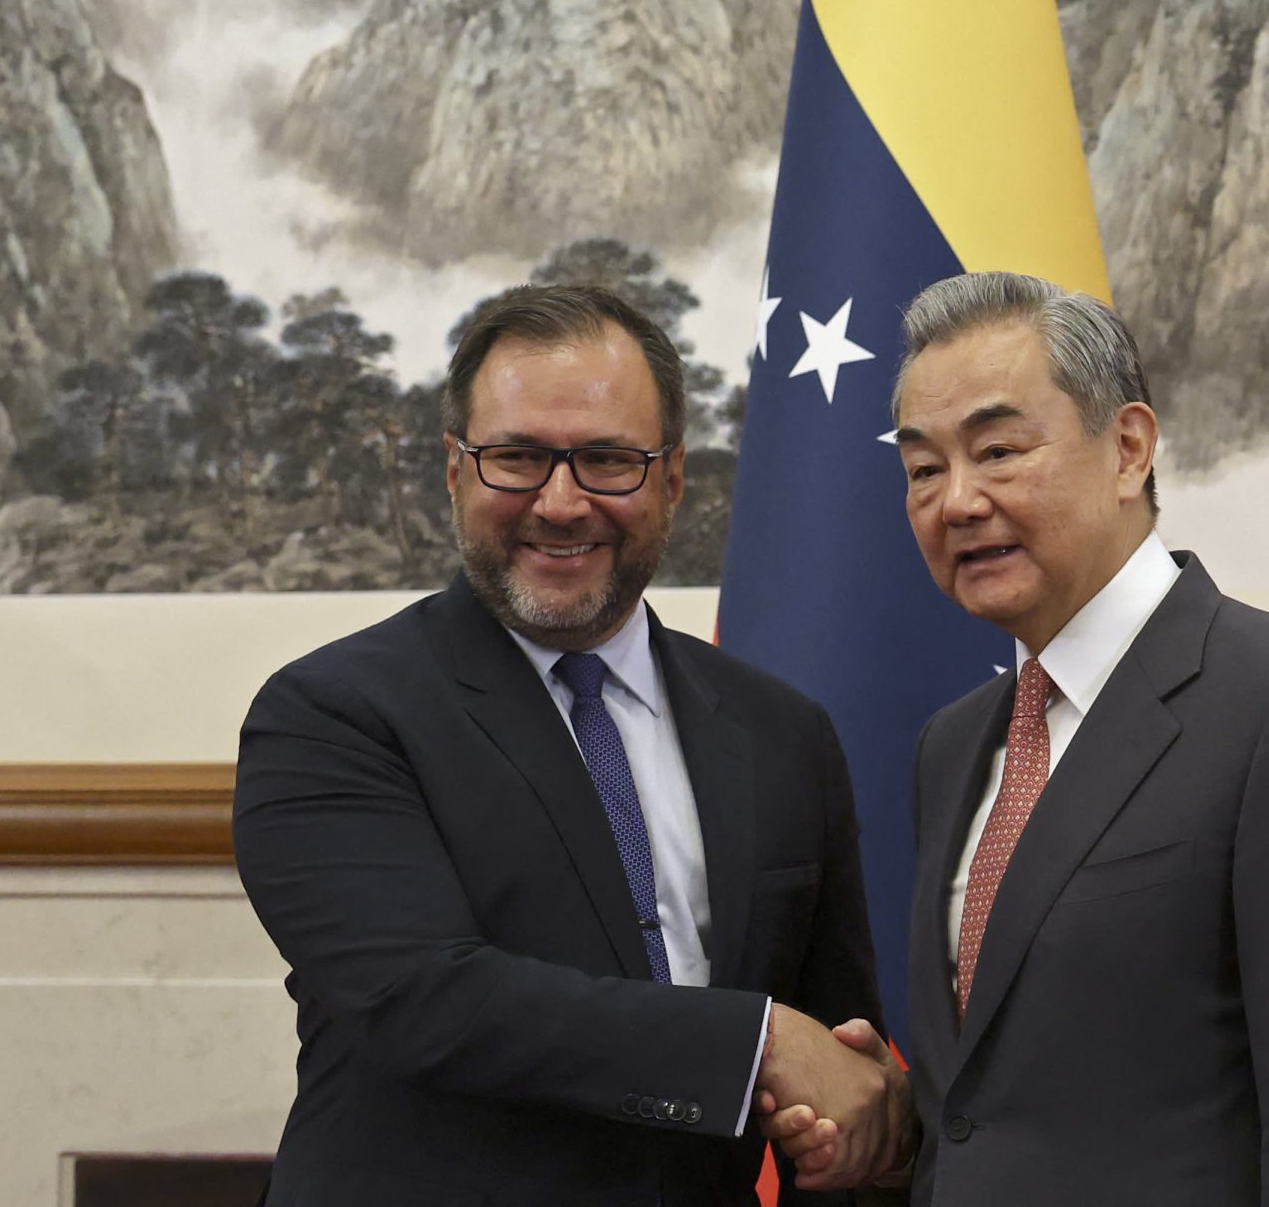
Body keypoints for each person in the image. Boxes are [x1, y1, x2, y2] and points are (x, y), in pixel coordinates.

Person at [767, 272, 1269, 1205]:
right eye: (923, 469)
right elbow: (1015, 1109)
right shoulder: (953, 745)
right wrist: (897, 1130)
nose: (957, 501)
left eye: (998, 451)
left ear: (1127, 449)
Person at [234, 284, 904, 1206]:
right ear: (455, 470)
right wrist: (757, 1042)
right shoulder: (332, 714)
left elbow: (833, 1082)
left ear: (672, 478)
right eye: (516, 457)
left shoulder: (783, 733)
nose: (560, 502)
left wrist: (876, 1136)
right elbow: (423, 1001)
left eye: (607, 460)